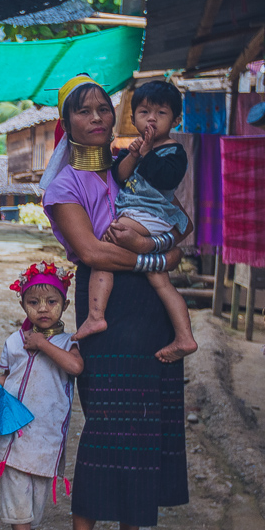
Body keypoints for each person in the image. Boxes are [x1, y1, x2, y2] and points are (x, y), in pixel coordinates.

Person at [40, 73, 189, 530]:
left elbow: (179, 221)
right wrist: (161, 259)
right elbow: (92, 253)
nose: (98, 118)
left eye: (105, 108)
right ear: (68, 123)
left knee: (147, 423)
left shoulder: (132, 159)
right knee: (107, 426)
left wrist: (171, 247)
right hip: (109, 311)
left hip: (151, 311)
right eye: (84, 111)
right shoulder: (64, 187)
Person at [74, 80, 198, 364]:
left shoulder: (173, 151)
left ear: (176, 120)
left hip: (148, 215)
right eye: (144, 112)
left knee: (106, 248)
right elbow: (120, 176)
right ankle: (184, 336)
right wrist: (133, 154)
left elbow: (166, 179)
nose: (151, 119)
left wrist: (147, 153)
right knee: (161, 282)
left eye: (161, 113)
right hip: (143, 217)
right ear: (133, 118)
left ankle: (95, 315)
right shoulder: (137, 147)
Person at [0, 262, 84, 530]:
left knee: (35, 502)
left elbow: (75, 367)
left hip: (46, 437)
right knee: (17, 497)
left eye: (51, 302)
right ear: (22, 304)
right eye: (34, 302)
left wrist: (42, 344)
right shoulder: (14, 342)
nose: (43, 309)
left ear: (64, 305)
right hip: (13, 435)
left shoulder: (69, 341)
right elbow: (2, 375)